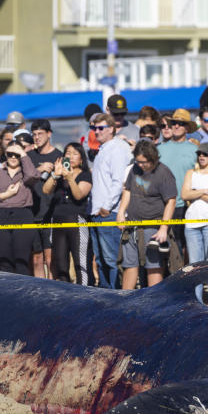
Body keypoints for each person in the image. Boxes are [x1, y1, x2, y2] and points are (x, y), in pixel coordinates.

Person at [117, 141, 177, 290]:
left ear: (153, 159)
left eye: (144, 162)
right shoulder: (134, 169)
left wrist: (163, 228)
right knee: (129, 265)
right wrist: (121, 212)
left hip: (153, 227)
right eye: (138, 161)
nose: (141, 165)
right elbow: (128, 190)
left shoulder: (164, 173)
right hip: (131, 226)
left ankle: (154, 304)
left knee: (154, 267)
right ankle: (126, 302)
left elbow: (171, 201)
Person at [89, 113, 133, 289]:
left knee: (111, 259)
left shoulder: (117, 148)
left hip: (110, 212)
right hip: (97, 213)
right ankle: (107, 296)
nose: (96, 132)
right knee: (101, 259)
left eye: (100, 128)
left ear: (111, 129)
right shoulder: (104, 149)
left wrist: (106, 207)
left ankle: (115, 295)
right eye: (94, 128)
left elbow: (119, 181)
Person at [181, 143, 208, 307]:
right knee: (195, 264)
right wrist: (205, 191)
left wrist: (195, 191)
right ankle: (197, 301)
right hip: (192, 222)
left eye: (205, 154)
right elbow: (184, 194)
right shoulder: (190, 172)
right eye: (199, 153)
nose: (202, 156)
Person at [0, 142, 38, 275]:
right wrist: (5, 195)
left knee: (22, 261)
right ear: (5, 155)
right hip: (1, 215)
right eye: (10, 154)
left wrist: (23, 154)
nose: (13, 157)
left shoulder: (26, 172)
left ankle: (23, 293)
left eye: (17, 154)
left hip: (23, 214)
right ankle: (8, 294)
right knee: (4, 260)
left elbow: (33, 175)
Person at [43, 143, 92, 285]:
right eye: (68, 153)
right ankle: (66, 295)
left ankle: (85, 293)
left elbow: (79, 195)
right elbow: (46, 190)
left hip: (76, 221)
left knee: (80, 262)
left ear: (81, 158)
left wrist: (70, 178)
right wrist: (55, 175)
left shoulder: (85, 175)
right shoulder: (58, 176)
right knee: (61, 263)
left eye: (75, 153)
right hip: (58, 221)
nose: (70, 156)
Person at [158, 108, 199, 271]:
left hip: (184, 205)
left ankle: (181, 279)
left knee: (182, 247)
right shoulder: (159, 149)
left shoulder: (195, 150)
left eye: (180, 124)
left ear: (187, 128)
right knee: (160, 247)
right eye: (173, 123)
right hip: (161, 205)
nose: (175, 126)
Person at [28, 120, 63, 279]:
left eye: (40, 134)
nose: (37, 137)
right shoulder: (29, 157)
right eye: (34, 134)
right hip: (32, 213)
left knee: (50, 259)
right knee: (36, 259)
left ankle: (53, 291)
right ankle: (39, 292)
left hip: (51, 214)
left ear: (49, 134)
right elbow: (23, 179)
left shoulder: (58, 156)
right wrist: (39, 169)